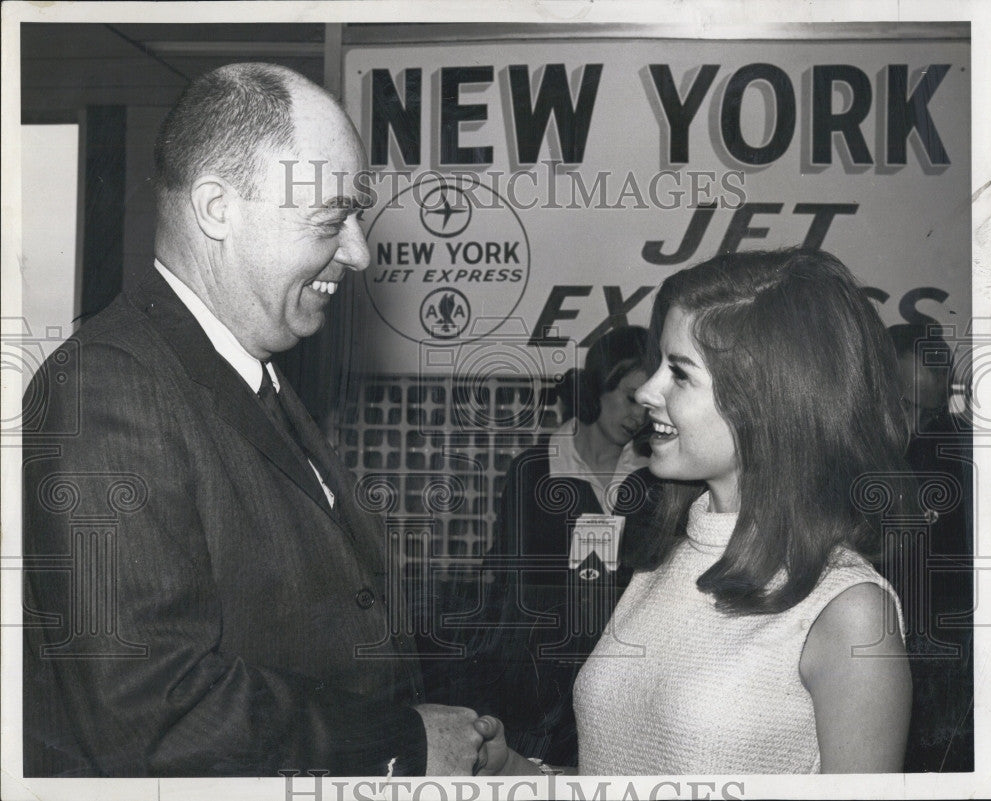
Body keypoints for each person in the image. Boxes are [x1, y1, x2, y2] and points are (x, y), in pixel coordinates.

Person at [22, 63, 491, 777]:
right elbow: (150, 712)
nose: (359, 252)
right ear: (217, 208)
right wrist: (404, 742)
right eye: (332, 219)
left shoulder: (257, 372)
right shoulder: (104, 390)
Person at [569, 248, 913, 774]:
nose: (645, 389)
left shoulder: (851, 613)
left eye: (679, 374)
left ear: (764, 403)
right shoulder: (666, 558)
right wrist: (518, 775)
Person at [452, 326, 656, 768]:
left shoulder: (658, 477)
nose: (638, 415)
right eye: (628, 396)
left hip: (625, 680)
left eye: (648, 402)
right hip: (538, 689)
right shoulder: (532, 471)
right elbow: (511, 593)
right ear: (594, 388)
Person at [886, 324, 974, 771]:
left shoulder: (957, 447)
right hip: (900, 636)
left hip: (945, 644)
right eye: (905, 405)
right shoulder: (868, 452)